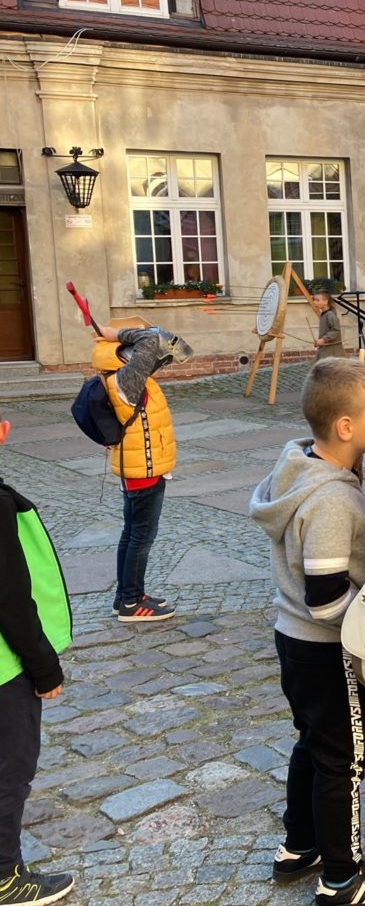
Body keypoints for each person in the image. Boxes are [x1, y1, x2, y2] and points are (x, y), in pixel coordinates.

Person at [249, 358, 365, 905]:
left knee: (314, 744)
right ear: (346, 427)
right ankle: (343, 877)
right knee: (344, 760)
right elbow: (325, 599)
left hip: (293, 639)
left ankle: (300, 845)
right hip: (329, 649)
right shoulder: (333, 499)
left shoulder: (300, 467)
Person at [0, 408, 75, 906]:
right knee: (10, 768)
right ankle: (4, 878)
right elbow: (10, 596)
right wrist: (44, 666)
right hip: (5, 668)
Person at [93, 323, 191, 622]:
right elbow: (150, 338)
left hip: (138, 468)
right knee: (141, 538)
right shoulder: (127, 380)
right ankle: (132, 603)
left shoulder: (120, 379)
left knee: (132, 534)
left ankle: (126, 595)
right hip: (143, 473)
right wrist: (115, 333)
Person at [312, 290, 345, 361]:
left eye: (317, 300)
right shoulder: (324, 314)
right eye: (314, 300)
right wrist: (319, 342)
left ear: (326, 301)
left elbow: (336, 330)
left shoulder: (330, 314)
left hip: (332, 352)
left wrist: (323, 339)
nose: (314, 302)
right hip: (326, 350)